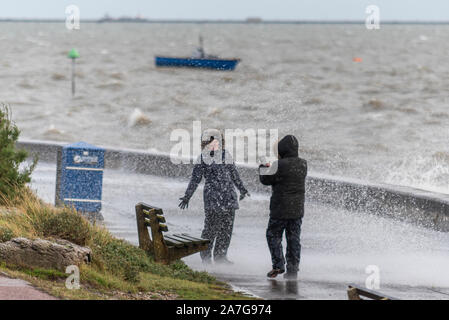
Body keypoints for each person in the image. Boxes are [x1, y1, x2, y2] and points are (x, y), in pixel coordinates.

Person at [179, 129, 250, 265]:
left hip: (227, 198)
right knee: (211, 230)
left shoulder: (225, 155)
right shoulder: (202, 158)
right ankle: (206, 257)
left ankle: (220, 256)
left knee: (225, 230)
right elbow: (195, 180)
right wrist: (187, 196)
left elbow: (234, 175)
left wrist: (242, 189)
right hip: (214, 200)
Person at [259, 135, 307, 280]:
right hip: (297, 210)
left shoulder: (278, 165)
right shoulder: (303, 164)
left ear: (282, 150)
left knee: (273, 235)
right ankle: (293, 269)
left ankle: (278, 265)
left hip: (279, 210)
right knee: (294, 239)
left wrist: (262, 166)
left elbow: (266, 179)